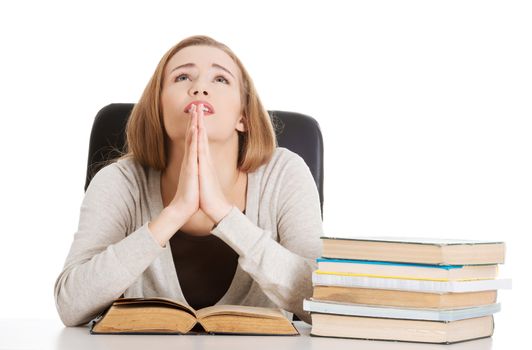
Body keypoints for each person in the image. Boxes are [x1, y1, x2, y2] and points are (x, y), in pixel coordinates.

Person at [54, 35, 323, 327]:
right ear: (158, 109)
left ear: (243, 116)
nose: (199, 88)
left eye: (220, 79)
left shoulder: (285, 174)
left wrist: (223, 214)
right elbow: (70, 305)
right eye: (182, 76)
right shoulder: (120, 182)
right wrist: (174, 214)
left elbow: (323, 302)